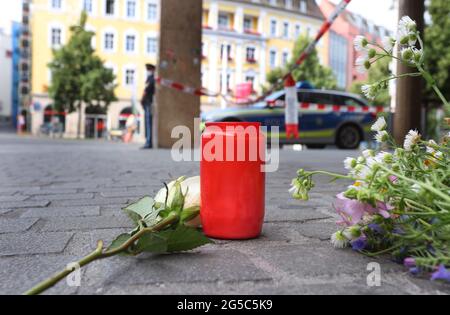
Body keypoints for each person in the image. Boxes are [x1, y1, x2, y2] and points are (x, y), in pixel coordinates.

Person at [141, 64, 156, 149]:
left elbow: (146, 90)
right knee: (148, 122)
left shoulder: (152, 78)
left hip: (148, 102)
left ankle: (148, 142)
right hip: (148, 102)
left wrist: (142, 99)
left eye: (149, 69)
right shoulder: (151, 78)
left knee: (148, 122)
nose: (148, 71)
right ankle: (148, 141)